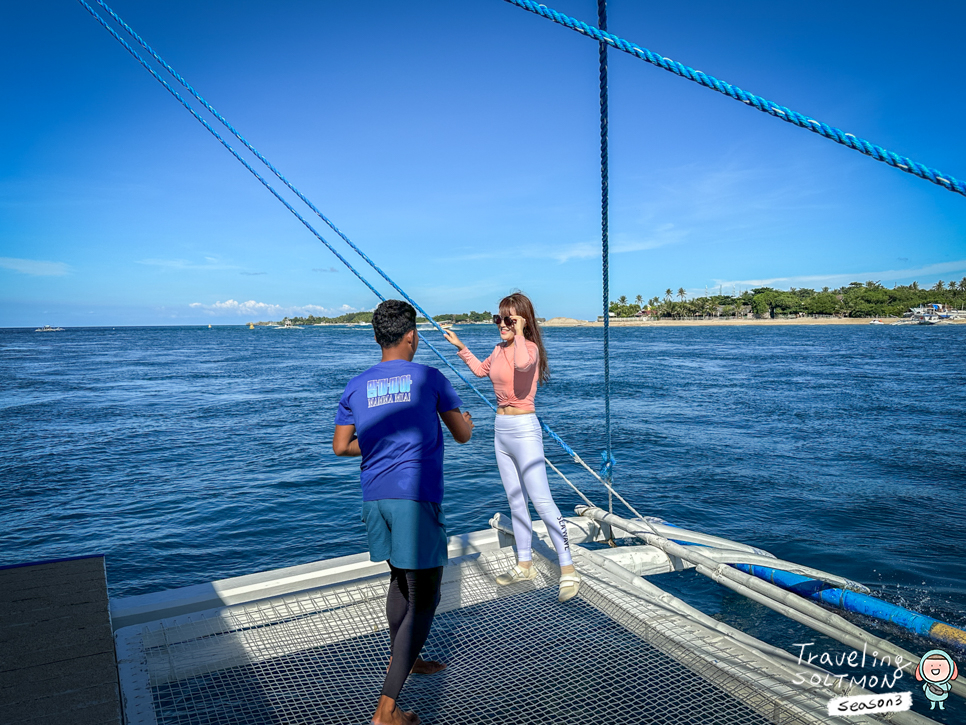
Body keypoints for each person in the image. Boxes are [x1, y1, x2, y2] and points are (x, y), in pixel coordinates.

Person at [333, 299, 474, 725]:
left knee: (400, 580)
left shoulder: (356, 387)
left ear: (378, 337)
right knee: (426, 598)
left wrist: (377, 445)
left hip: (375, 499)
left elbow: (342, 446)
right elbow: (463, 434)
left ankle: (407, 661)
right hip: (414, 499)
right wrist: (465, 418)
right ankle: (386, 711)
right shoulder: (430, 377)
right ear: (411, 335)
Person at [443, 292, 580, 602]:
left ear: (521, 322)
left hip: (524, 430)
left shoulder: (528, 348)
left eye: (508, 319)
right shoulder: (499, 349)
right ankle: (524, 564)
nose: (501, 324)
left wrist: (518, 332)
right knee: (516, 501)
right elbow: (481, 371)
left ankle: (569, 569)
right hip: (501, 430)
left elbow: (521, 364)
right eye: (498, 319)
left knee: (542, 502)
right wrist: (462, 348)